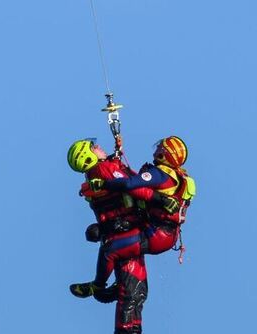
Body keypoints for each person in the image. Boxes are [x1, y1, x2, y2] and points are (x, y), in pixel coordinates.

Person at [74, 135, 197, 293]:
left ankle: (97, 286)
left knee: (109, 250)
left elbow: (129, 183)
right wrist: (117, 154)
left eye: (160, 148)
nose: (156, 149)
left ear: (164, 155)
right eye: (94, 147)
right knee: (106, 237)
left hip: (157, 233)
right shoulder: (176, 174)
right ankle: (120, 287)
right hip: (162, 232)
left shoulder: (159, 174)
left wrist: (103, 184)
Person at [67, 138, 149, 334]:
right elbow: (131, 185)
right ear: (87, 157)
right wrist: (158, 195)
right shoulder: (103, 170)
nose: (98, 146)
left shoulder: (95, 174)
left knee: (136, 291)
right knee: (131, 293)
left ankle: (130, 326)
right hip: (126, 234)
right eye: (93, 147)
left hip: (124, 234)